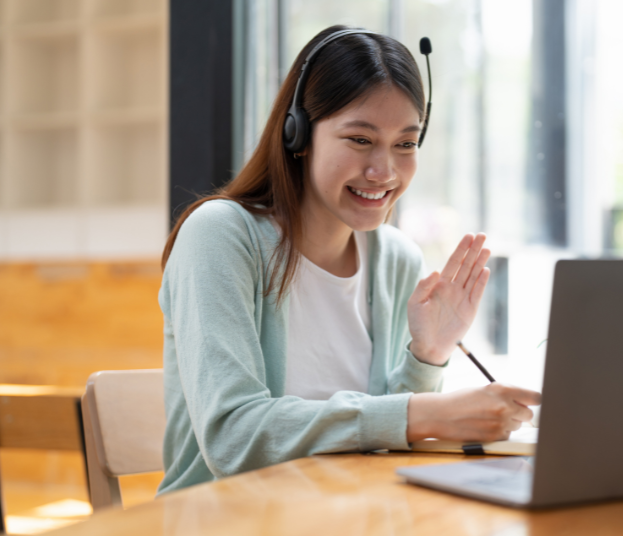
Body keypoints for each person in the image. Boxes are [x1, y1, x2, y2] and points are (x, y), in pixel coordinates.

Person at [157, 25, 542, 494]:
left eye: (406, 143)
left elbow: (378, 443)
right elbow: (233, 439)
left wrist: (429, 353)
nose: (385, 172)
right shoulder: (220, 235)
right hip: (225, 527)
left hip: (348, 519)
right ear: (297, 133)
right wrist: (424, 414)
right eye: (360, 140)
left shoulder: (394, 258)